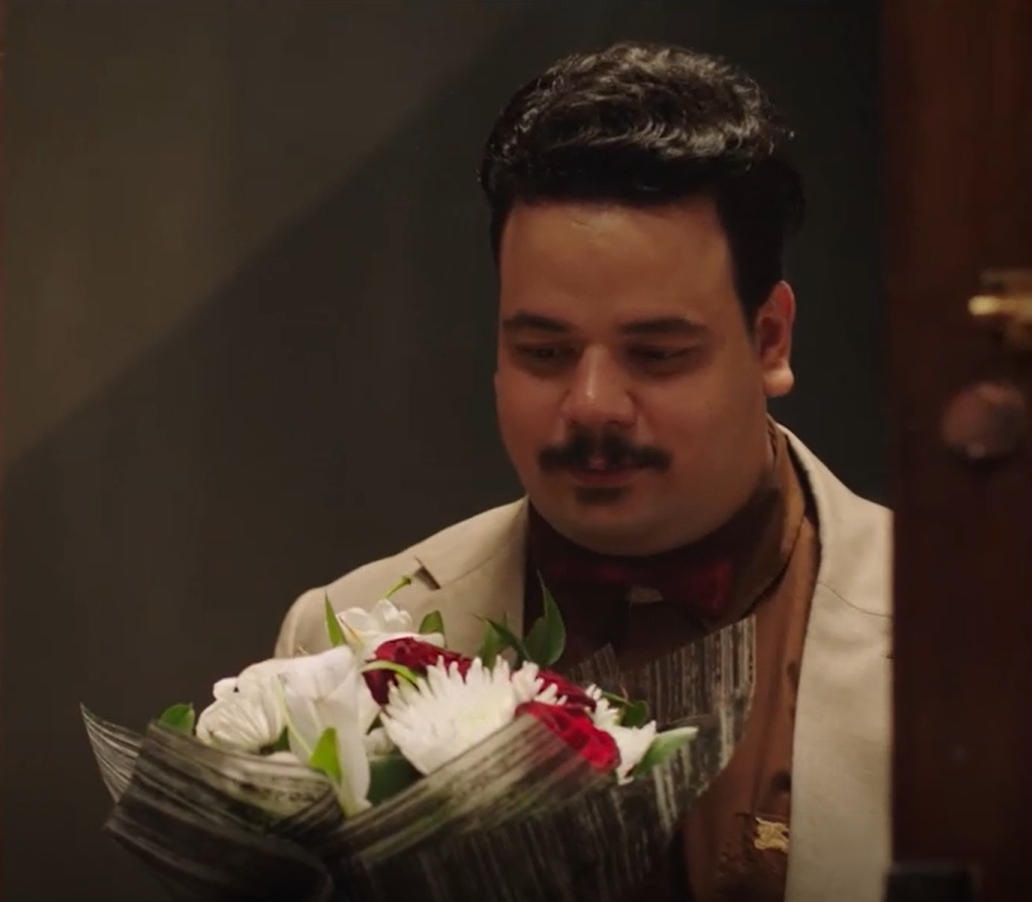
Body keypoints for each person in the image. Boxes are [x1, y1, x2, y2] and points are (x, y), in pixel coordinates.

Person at [274, 40, 891, 902]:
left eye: (658, 353)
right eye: (545, 351)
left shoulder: (972, 638)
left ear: (770, 340)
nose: (593, 404)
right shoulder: (340, 638)